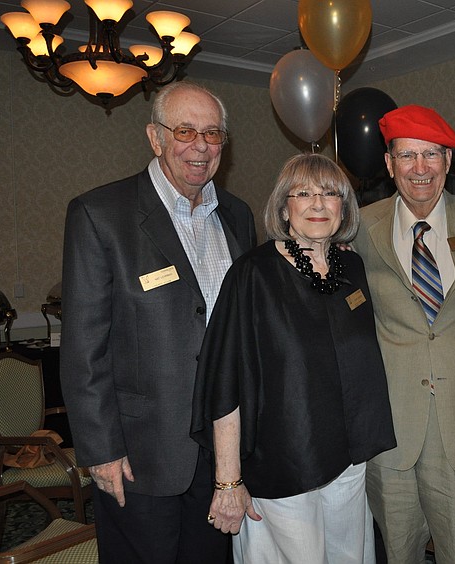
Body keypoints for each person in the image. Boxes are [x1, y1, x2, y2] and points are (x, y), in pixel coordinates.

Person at [60, 81, 256, 563]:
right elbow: (84, 349)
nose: (201, 146)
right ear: (155, 137)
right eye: (185, 131)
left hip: (223, 454)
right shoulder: (100, 215)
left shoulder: (238, 216)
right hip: (139, 456)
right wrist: (101, 450)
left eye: (213, 134)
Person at [191, 153, 397, 564]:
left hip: (348, 463)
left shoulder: (351, 267)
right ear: (284, 208)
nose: (318, 204)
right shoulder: (253, 275)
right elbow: (225, 383)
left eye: (330, 194)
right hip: (283, 465)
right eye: (303, 193)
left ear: (344, 207)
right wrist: (228, 482)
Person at [355, 105, 455, 564]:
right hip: (391, 425)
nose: (420, 168)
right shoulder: (359, 226)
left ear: (448, 161)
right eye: (407, 155)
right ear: (389, 164)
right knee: (399, 551)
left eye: (431, 155)